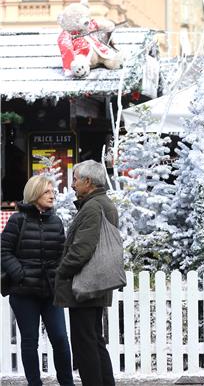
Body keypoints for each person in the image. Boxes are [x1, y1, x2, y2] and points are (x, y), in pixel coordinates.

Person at [1, 175, 74, 386]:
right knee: (30, 341)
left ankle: (67, 383)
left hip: (50, 292)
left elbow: (62, 253)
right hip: (24, 293)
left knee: (60, 338)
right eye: (47, 192)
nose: (52, 196)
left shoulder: (56, 221)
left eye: (53, 192)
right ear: (34, 194)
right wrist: (20, 274)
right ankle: (35, 383)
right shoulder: (17, 220)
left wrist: (58, 273)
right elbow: (3, 250)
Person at [54, 160, 118, 386]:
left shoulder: (92, 207)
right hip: (96, 283)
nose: (72, 185)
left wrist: (61, 271)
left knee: (85, 344)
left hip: (86, 285)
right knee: (94, 340)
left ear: (88, 182)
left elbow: (82, 249)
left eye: (75, 179)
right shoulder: (102, 203)